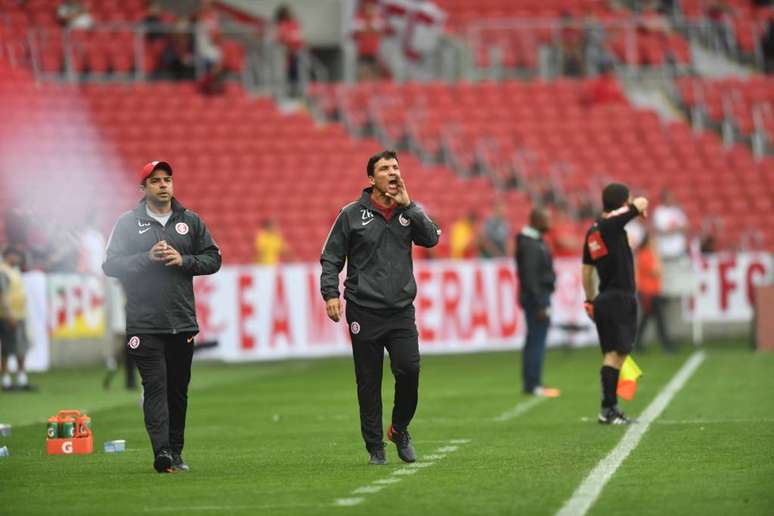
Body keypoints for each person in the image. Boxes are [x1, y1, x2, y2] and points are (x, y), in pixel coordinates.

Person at [320, 150, 440, 465]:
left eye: (395, 167)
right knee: (369, 381)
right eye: (385, 168)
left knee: (410, 370)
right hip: (364, 309)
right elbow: (331, 257)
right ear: (371, 179)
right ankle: (375, 448)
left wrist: (409, 205)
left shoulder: (409, 211)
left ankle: (399, 429)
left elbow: (430, 240)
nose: (392, 172)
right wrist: (330, 293)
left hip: (400, 310)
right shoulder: (351, 214)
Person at [102, 161, 221, 473]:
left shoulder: (190, 221)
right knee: (155, 386)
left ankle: (176, 451)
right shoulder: (128, 223)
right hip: (144, 321)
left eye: (167, 179)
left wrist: (184, 260)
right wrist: (146, 258)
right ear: (144, 188)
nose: (163, 185)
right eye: (155, 181)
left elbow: (214, 258)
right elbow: (110, 265)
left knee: (177, 390)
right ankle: (162, 452)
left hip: (181, 320)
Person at [581, 183, 648, 425]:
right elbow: (641, 202)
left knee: (616, 354)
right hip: (619, 297)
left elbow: (586, 272)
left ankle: (609, 408)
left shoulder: (593, 232)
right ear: (622, 202)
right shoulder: (611, 225)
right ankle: (607, 409)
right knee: (614, 355)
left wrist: (589, 300)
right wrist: (637, 208)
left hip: (605, 298)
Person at [515, 208, 559, 398]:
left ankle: (532, 382)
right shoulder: (531, 244)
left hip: (536, 296)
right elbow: (531, 276)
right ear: (536, 220)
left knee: (535, 339)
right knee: (536, 341)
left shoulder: (532, 241)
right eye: (547, 219)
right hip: (537, 298)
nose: (550, 223)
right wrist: (540, 303)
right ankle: (533, 384)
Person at [634, 232, 675, 353]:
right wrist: (657, 256)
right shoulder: (644, 255)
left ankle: (637, 344)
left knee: (646, 319)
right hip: (648, 293)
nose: (655, 243)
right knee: (659, 319)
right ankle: (666, 345)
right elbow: (656, 272)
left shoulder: (648, 254)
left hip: (652, 292)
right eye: (653, 241)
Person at [0, 247, 33, 392]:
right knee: (7, 349)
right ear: (9, 256)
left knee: (22, 348)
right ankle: (6, 380)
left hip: (20, 314)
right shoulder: (3, 271)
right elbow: (2, 294)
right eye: (16, 256)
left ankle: (21, 378)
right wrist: (8, 314)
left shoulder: (15, 270)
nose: (18, 259)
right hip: (8, 315)